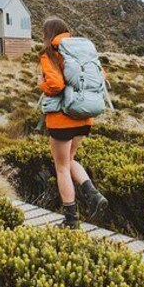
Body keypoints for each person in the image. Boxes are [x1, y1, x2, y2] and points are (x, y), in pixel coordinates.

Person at [38, 17, 108, 229]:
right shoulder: (82, 50)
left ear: (47, 33)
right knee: (69, 160)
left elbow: (56, 85)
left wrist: (42, 85)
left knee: (61, 168)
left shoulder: (49, 53)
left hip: (62, 120)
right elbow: (101, 75)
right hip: (85, 117)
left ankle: (71, 219)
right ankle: (93, 195)